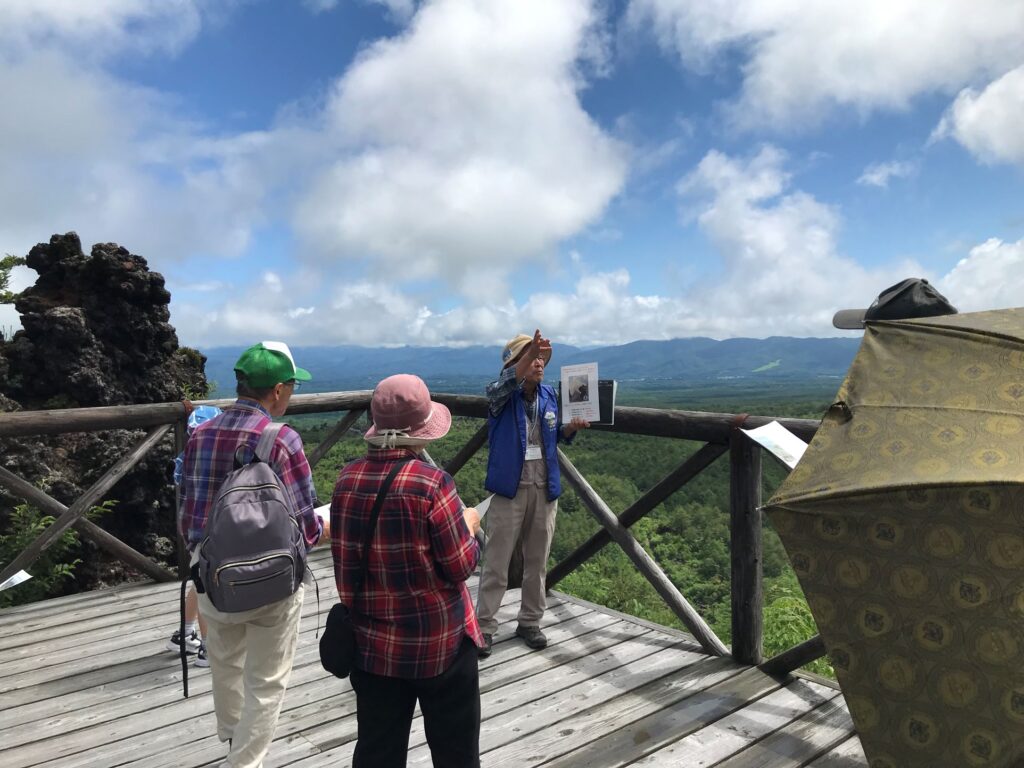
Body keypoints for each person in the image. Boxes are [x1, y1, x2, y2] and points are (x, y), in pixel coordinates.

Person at [179, 341, 322, 768]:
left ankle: (232, 741)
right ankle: (243, 762)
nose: (292, 394)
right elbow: (307, 525)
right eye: (292, 387)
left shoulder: (200, 435)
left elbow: (188, 514)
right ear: (277, 390)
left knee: (224, 662)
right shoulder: (282, 440)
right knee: (267, 681)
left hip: (213, 574)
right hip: (274, 581)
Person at [331, 374, 484, 768]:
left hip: (371, 647)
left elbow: (345, 567)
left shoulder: (345, 480)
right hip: (438, 644)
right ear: (420, 431)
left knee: (377, 753)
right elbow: (460, 567)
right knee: (456, 753)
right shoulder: (433, 485)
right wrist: (467, 526)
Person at [475, 329, 589, 657]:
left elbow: (556, 436)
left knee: (537, 561)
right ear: (515, 364)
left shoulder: (550, 395)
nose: (539, 362)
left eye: (541, 357)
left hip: (544, 487)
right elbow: (500, 387)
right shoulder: (501, 394)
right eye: (531, 357)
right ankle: (483, 626)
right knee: (496, 561)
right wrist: (525, 360)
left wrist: (571, 429)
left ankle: (530, 621)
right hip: (510, 489)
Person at [165, 404, 221, 667]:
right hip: (213, 529)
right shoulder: (220, 456)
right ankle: (209, 650)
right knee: (205, 588)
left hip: (191, 527)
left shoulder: (186, 455)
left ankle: (185, 633)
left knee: (198, 579)